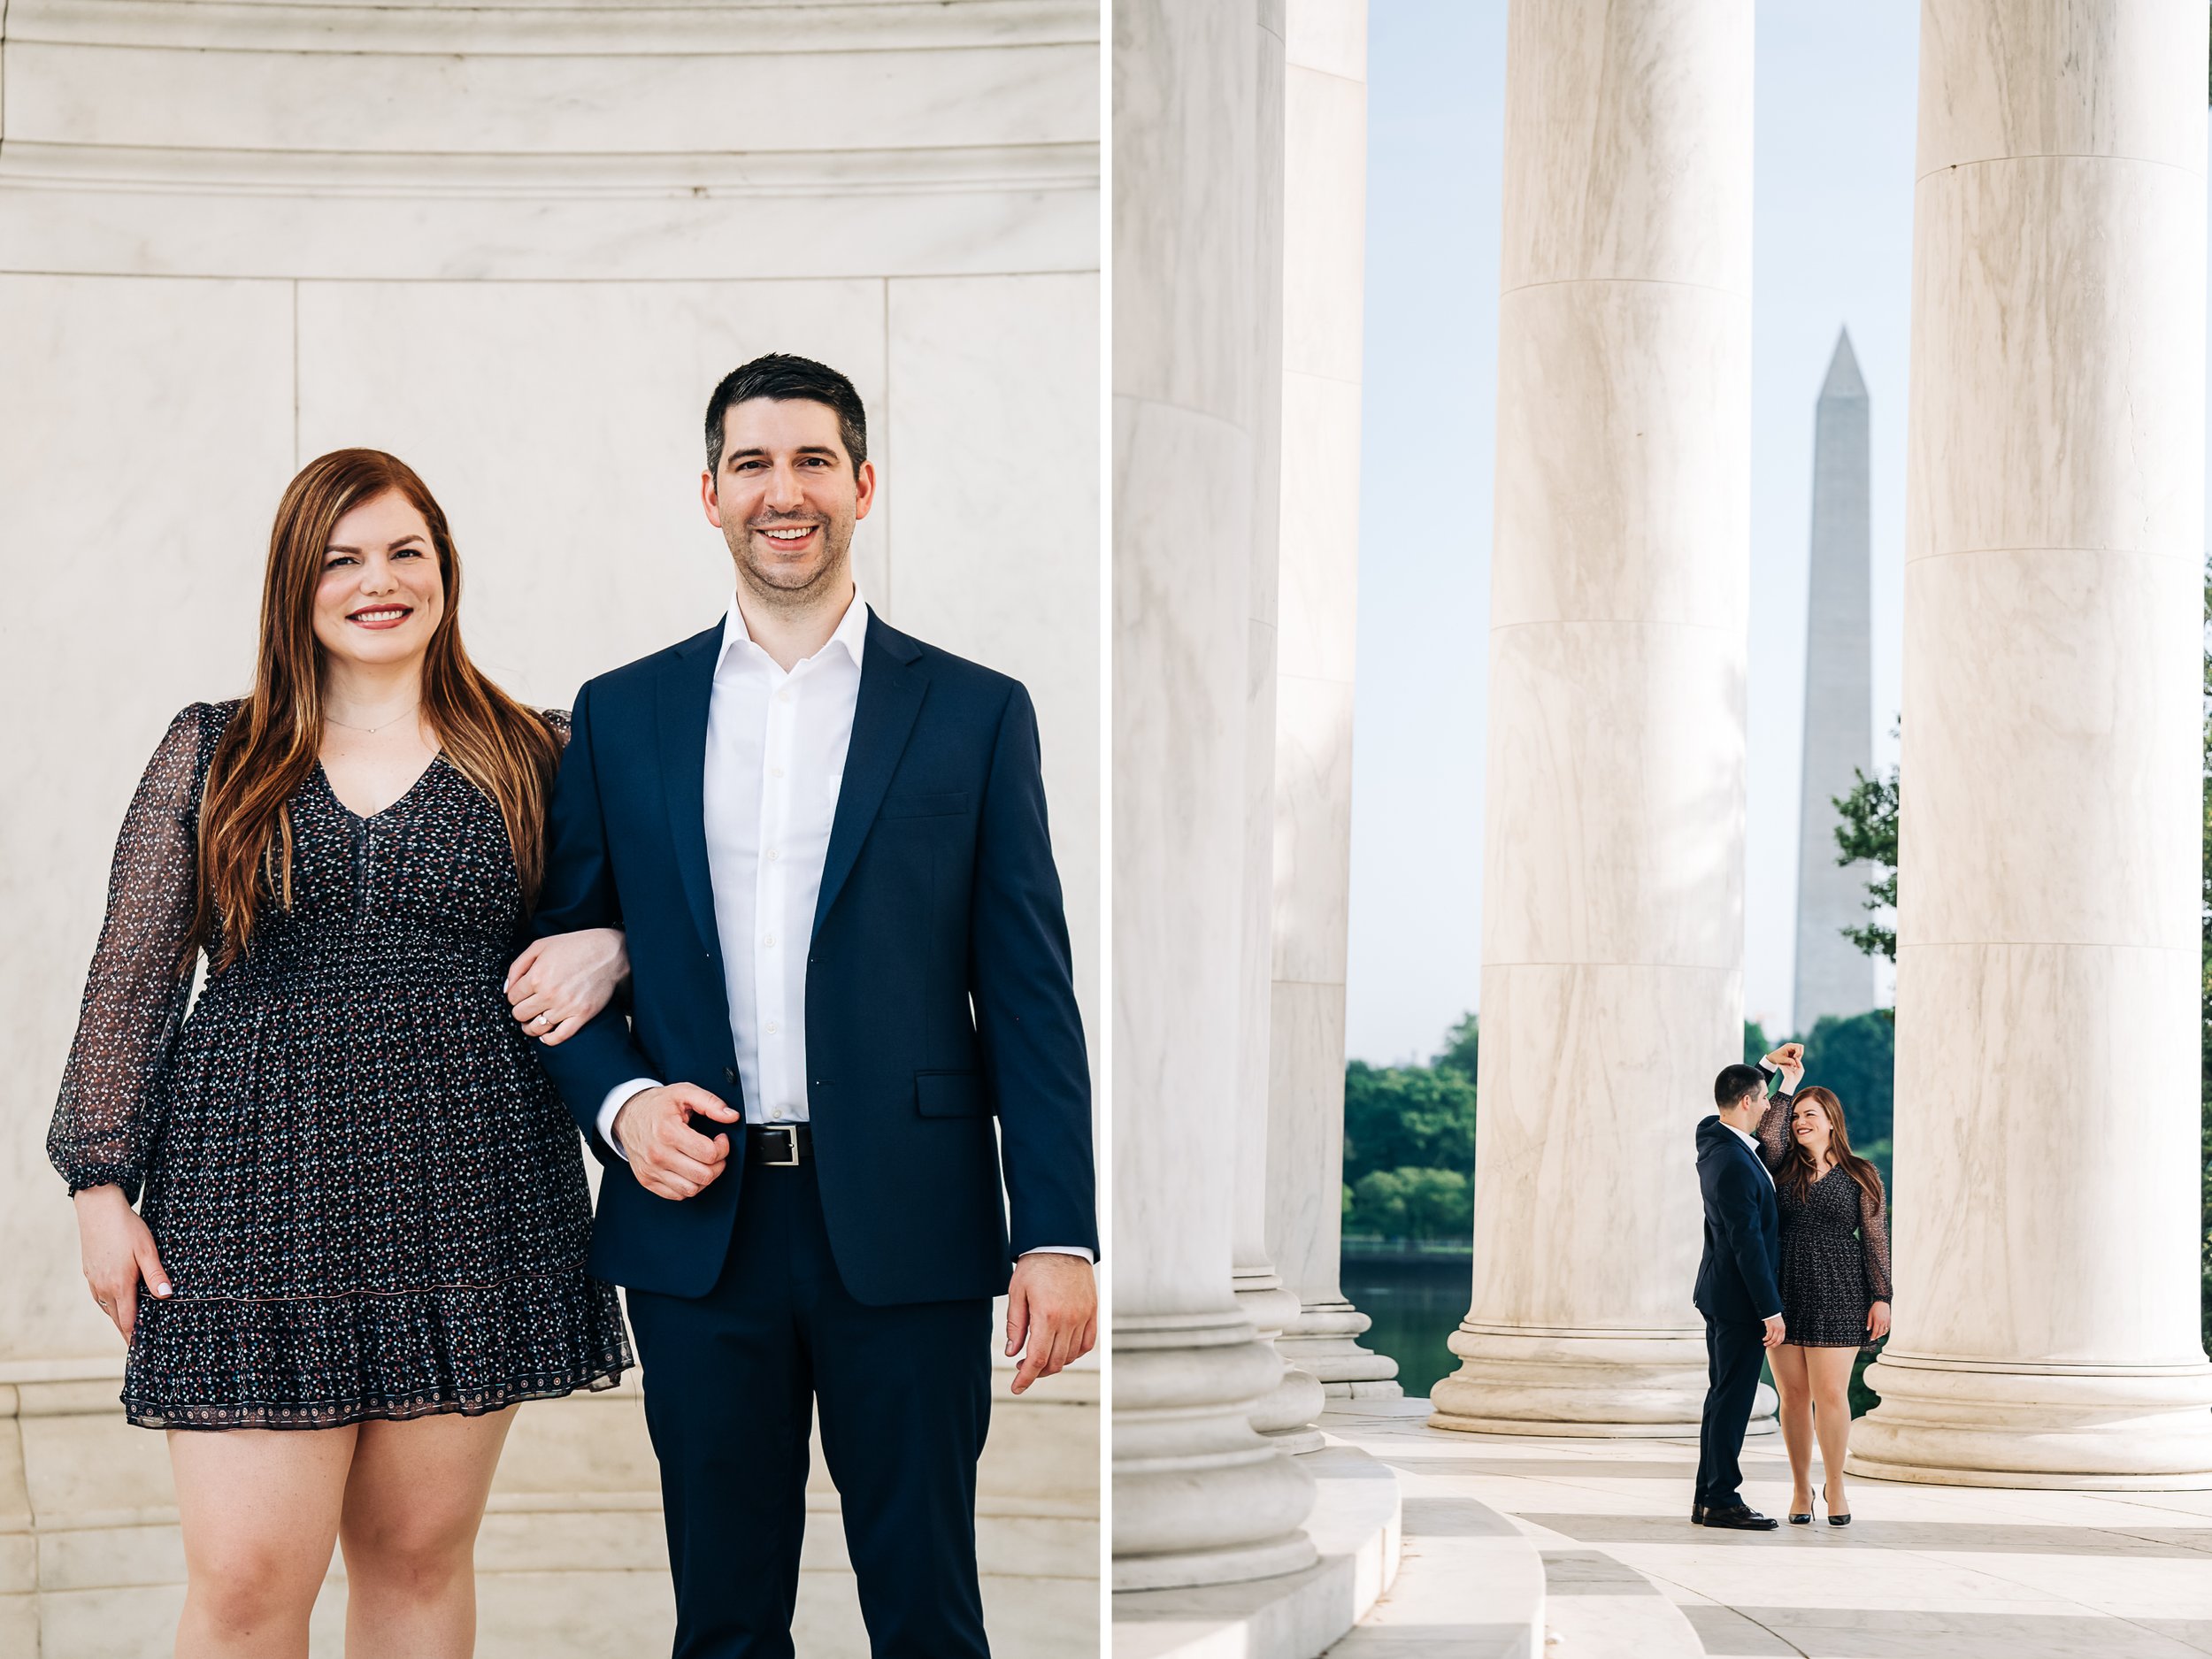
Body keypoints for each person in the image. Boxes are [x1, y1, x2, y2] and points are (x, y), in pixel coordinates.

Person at [527, 353, 1099, 1658]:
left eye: (811, 461)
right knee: (722, 1619)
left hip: (913, 1224)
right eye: (752, 465)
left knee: (929, 1613)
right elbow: (562, 961)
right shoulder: (622, 714)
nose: (783, 492)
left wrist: (1057, 1227)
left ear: (863, 484)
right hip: (698, 1230)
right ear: (711, 497)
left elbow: (1027, 990)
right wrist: (621, 1107)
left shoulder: (975, 713)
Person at [50, 449, 635, 1659]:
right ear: (295, 584)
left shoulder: (538, 751)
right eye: (343, 557)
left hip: (474, 1192)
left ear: (444, 569)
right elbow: (133, 969)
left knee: (418, 1565)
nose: (381, 580)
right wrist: (100, 1184)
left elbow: (669, 914)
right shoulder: (217, 748)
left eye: (405, 551)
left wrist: (614, 946)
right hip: (248, 1199)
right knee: (248, 1582)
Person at [1755, 1045, 1893, 1526]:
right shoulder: (1779, 1166)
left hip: (1841, 1287)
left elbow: (1876, 1238)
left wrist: (1883, 1297)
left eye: (1809, 1115)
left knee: (1832, 1394)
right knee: (1792, 1396)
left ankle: (1836, 1485)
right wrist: (1786, 1084)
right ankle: (1799, 1488)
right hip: (1784, 1284)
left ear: (1831, 1120)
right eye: (1796, 1117)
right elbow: (1766, 1133)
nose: (1798, 1123)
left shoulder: (1861, 1174)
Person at [1691, 1062, 1786, 1530]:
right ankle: (1723, 1499)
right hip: (1738, 1301)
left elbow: (1725, 1102)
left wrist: (1767, 1068)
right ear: (1747, 1102)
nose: (1769, 1105)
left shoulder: (1713, 1139)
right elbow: (1746, 1242)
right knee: (1732, 1400)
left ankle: (1707, 1495)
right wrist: (1769, 1309)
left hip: (1721, 1295)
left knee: (1722, 1396)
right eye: (1764, 1097)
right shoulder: (1731, 1162)